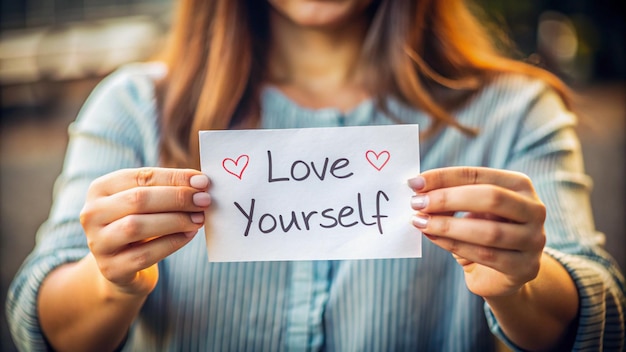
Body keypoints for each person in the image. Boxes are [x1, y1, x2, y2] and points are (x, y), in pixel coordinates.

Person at [7, 0, 625, 350]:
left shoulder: (515, 110)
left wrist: (523, 281)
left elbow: (601, 315)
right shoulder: (133, 107)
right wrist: (110, 282)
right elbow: (39, 319)